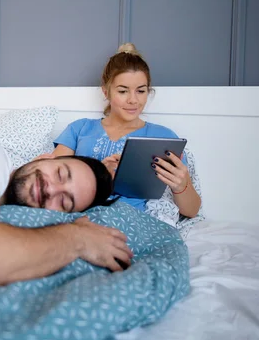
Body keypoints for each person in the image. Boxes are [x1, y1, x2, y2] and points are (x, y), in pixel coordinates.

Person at [0, 135, 133, 289]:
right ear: (43, 157)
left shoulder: (6, 213)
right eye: (60, 173)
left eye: (64, 202)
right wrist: (78, 238)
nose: (51, 189)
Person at [49, 43, 201, 219]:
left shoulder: (164, 137)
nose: (133, 100)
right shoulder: (79, 129)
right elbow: (52, 181)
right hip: (80, 217)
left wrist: (180, 185)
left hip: (132, 222)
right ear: (106, 92)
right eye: (123, 91)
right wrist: (99, 174)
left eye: (141, 91)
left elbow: (192, 211)